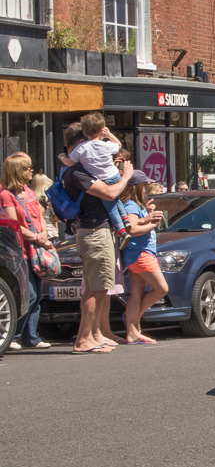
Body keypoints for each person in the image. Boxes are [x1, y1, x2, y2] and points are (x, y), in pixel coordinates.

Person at [62, 121, 134, 353]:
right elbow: (111, 192)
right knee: (98, 288)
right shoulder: (78, 173)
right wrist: (125, 176)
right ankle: (84, 339)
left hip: (95, 231)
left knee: (95, 288)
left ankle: (92, 335)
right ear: (81, 142)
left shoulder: (82, 168)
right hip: (95, 231)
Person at [0, 153, 53, 350]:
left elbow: (41, 216)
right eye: (27, 168)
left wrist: (44, 234)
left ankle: (31, 336)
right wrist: (37, 237)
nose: (31, 170)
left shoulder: (28, 191)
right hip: (22, 249)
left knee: (37, 294)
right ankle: (14, 334)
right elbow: (14, 224)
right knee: (28, 294)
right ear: (16, 171)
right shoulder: (6, 195)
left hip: (37, 248)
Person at [61, 113, 132, 248]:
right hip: (113, 176)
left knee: (112, 204)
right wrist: (126, 177)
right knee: (114, 200)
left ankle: (122, 229)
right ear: (101, 130)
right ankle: (124, 222)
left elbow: (70, 161)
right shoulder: (103, 145)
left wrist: (63, 158)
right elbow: (110, 194)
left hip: (103, 180)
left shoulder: (82, 149)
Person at [118, 171, 165, 344]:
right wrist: (151, 222)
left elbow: (137, 223)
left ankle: (132, 330)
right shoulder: (131, 205)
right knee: (161, 288)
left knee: (137, 292)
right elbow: (131, 230)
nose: (146, 188)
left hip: (139, 253)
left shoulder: (135, 205)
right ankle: (132, 322)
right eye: (144, 185)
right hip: (140, 253)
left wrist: (147, 215)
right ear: (138, 187)